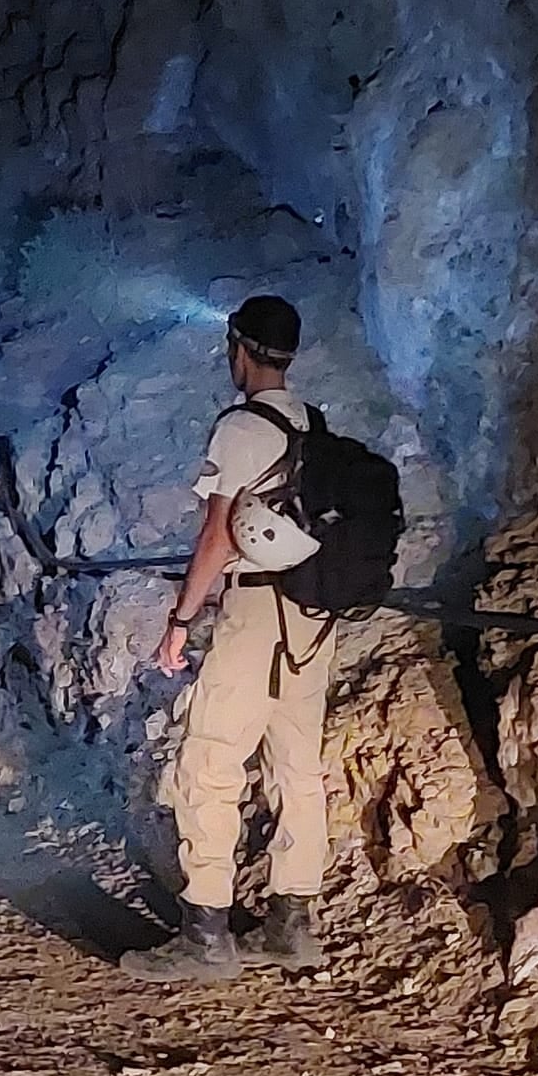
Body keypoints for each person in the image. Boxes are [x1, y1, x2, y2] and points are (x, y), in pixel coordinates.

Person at [123, 294, 335, 983]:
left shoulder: (242, 428)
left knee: (210, 760)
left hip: (255, 612)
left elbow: (217, 536)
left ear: (239, 349)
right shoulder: (313, 423)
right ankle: (293, 924)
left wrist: (181, 620)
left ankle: (207, 932)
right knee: (296, 762)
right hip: (313, 615)